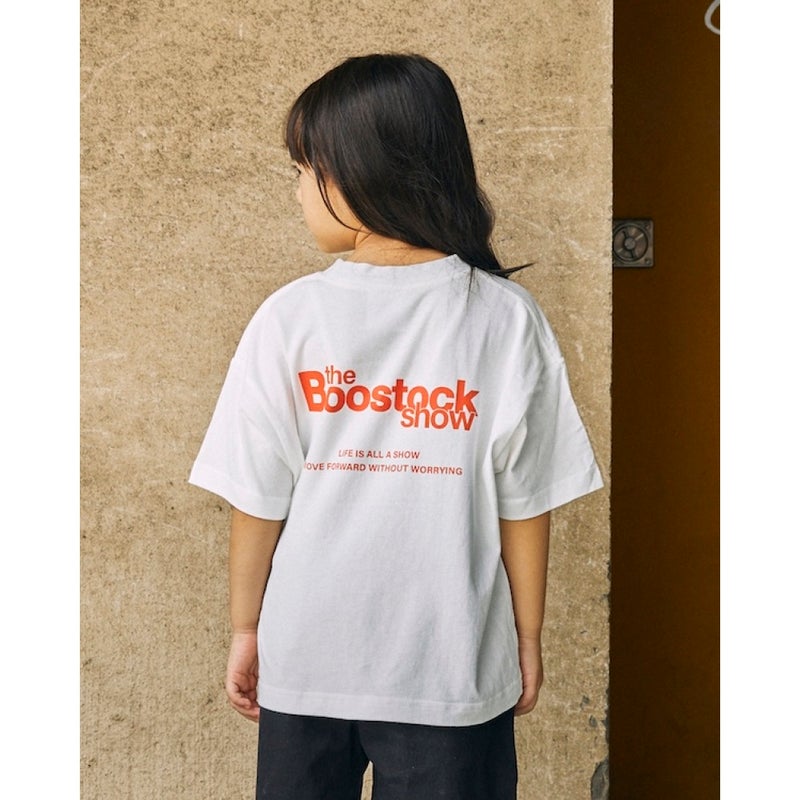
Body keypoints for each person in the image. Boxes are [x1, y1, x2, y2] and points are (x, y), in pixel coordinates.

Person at [189, 53, 603, 800]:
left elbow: (258, 499)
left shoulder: (290, 319)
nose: (297, 191)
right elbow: (525, 501)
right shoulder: (505, 319)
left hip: (308, 659)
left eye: (304, 169)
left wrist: (246, 629)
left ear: (358, 170)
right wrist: (525, 636)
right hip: (451, 667)